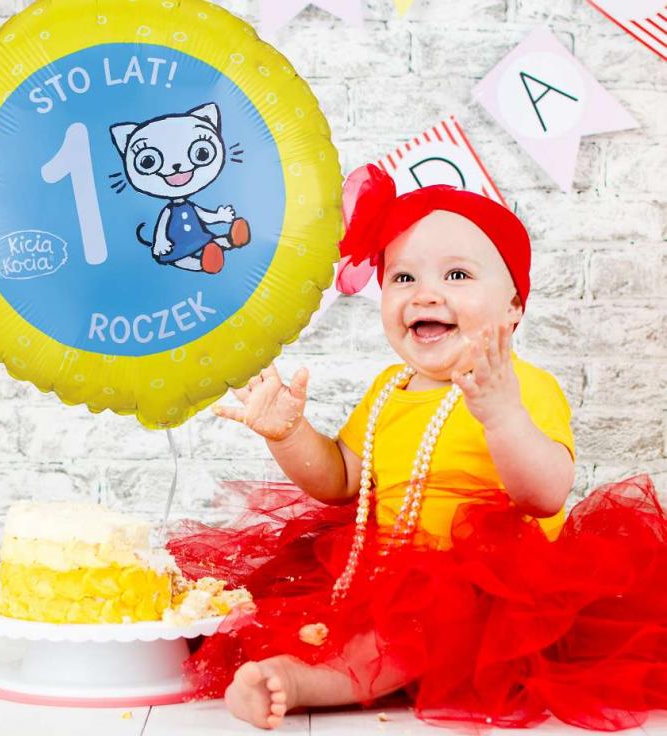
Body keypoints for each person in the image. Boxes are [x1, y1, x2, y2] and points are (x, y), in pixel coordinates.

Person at [167, 165, 667, 731]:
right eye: (402, 277)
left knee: (413, 631)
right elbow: (340, 480)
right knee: (296, 614)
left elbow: (546, 496)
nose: (426, 293)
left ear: (514, 306)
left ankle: (306, 682)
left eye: (457, 274)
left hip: (496, 600)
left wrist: (502, 416)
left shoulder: (522, 388)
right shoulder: (390, 389)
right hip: (383, 577)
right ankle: (298, 658)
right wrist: (288, 433)